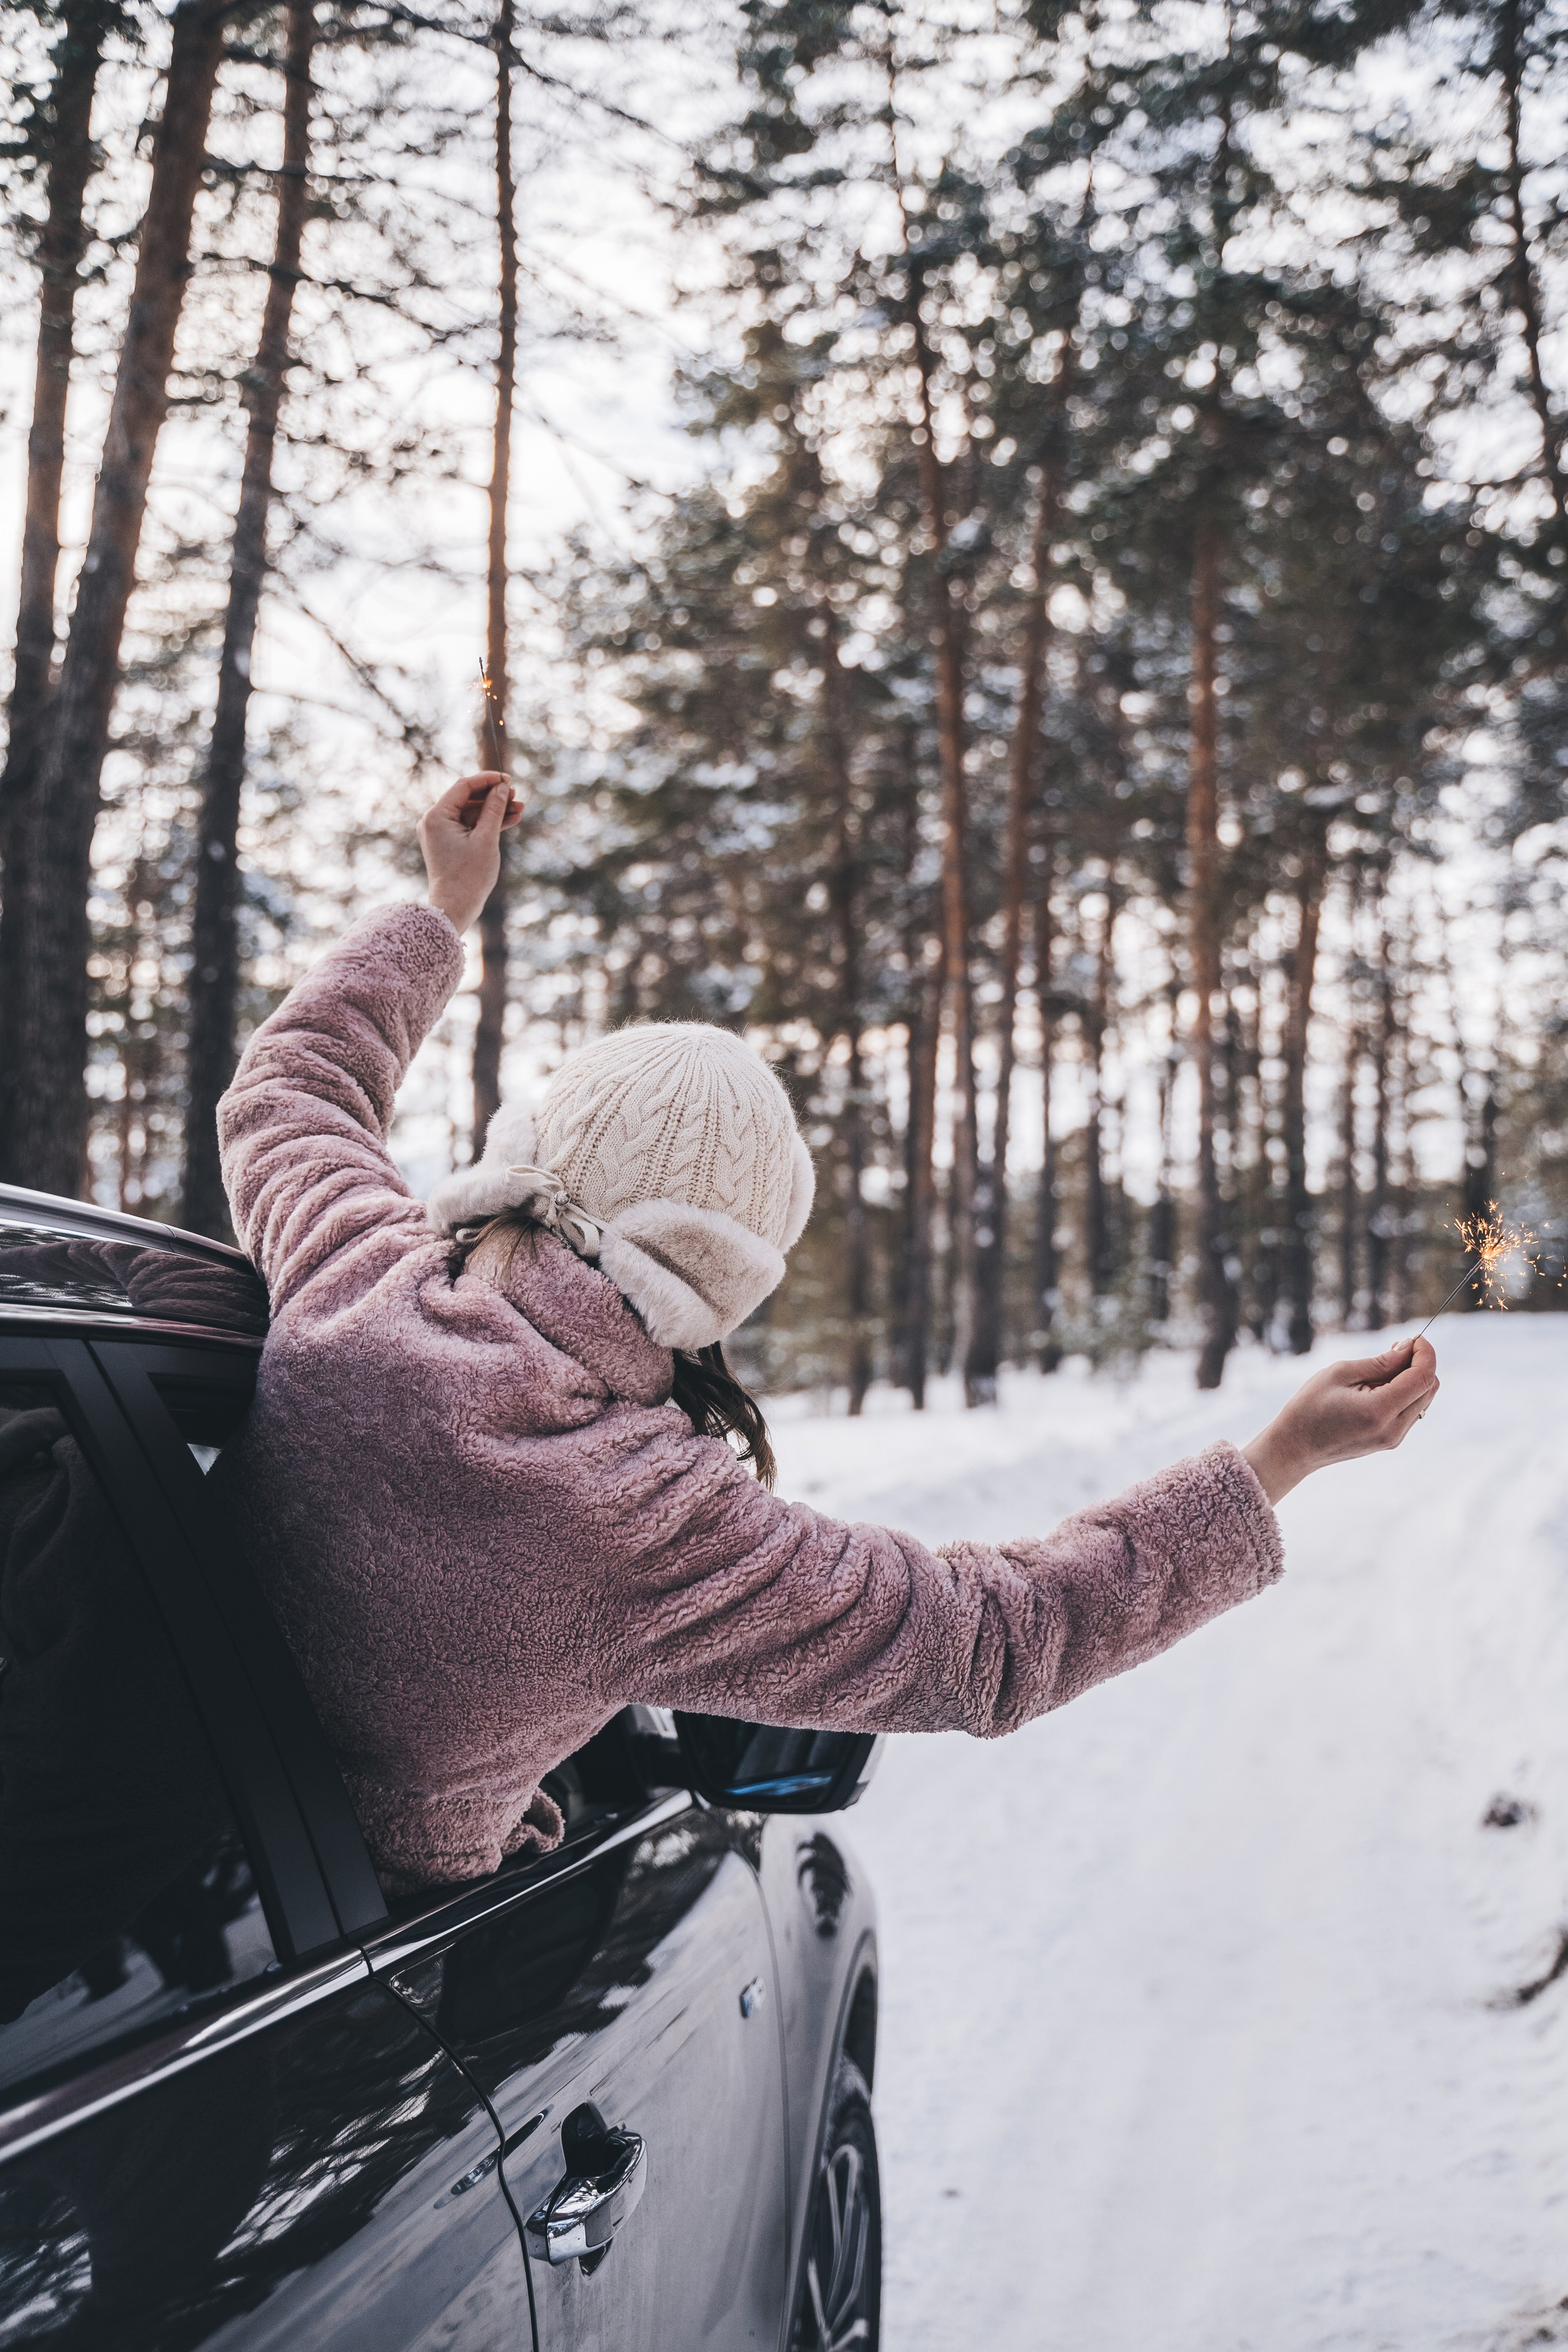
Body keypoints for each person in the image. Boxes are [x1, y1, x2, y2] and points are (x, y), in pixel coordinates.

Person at [215, 774, 1440, 1894]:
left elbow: (294, 1087)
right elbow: (997, 1638)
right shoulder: (644, 1520)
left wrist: (444, 903)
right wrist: (1273, 1464)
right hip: (391, 1973)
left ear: (527, 1151)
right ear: (728, 1277)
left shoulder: (354, 1265)